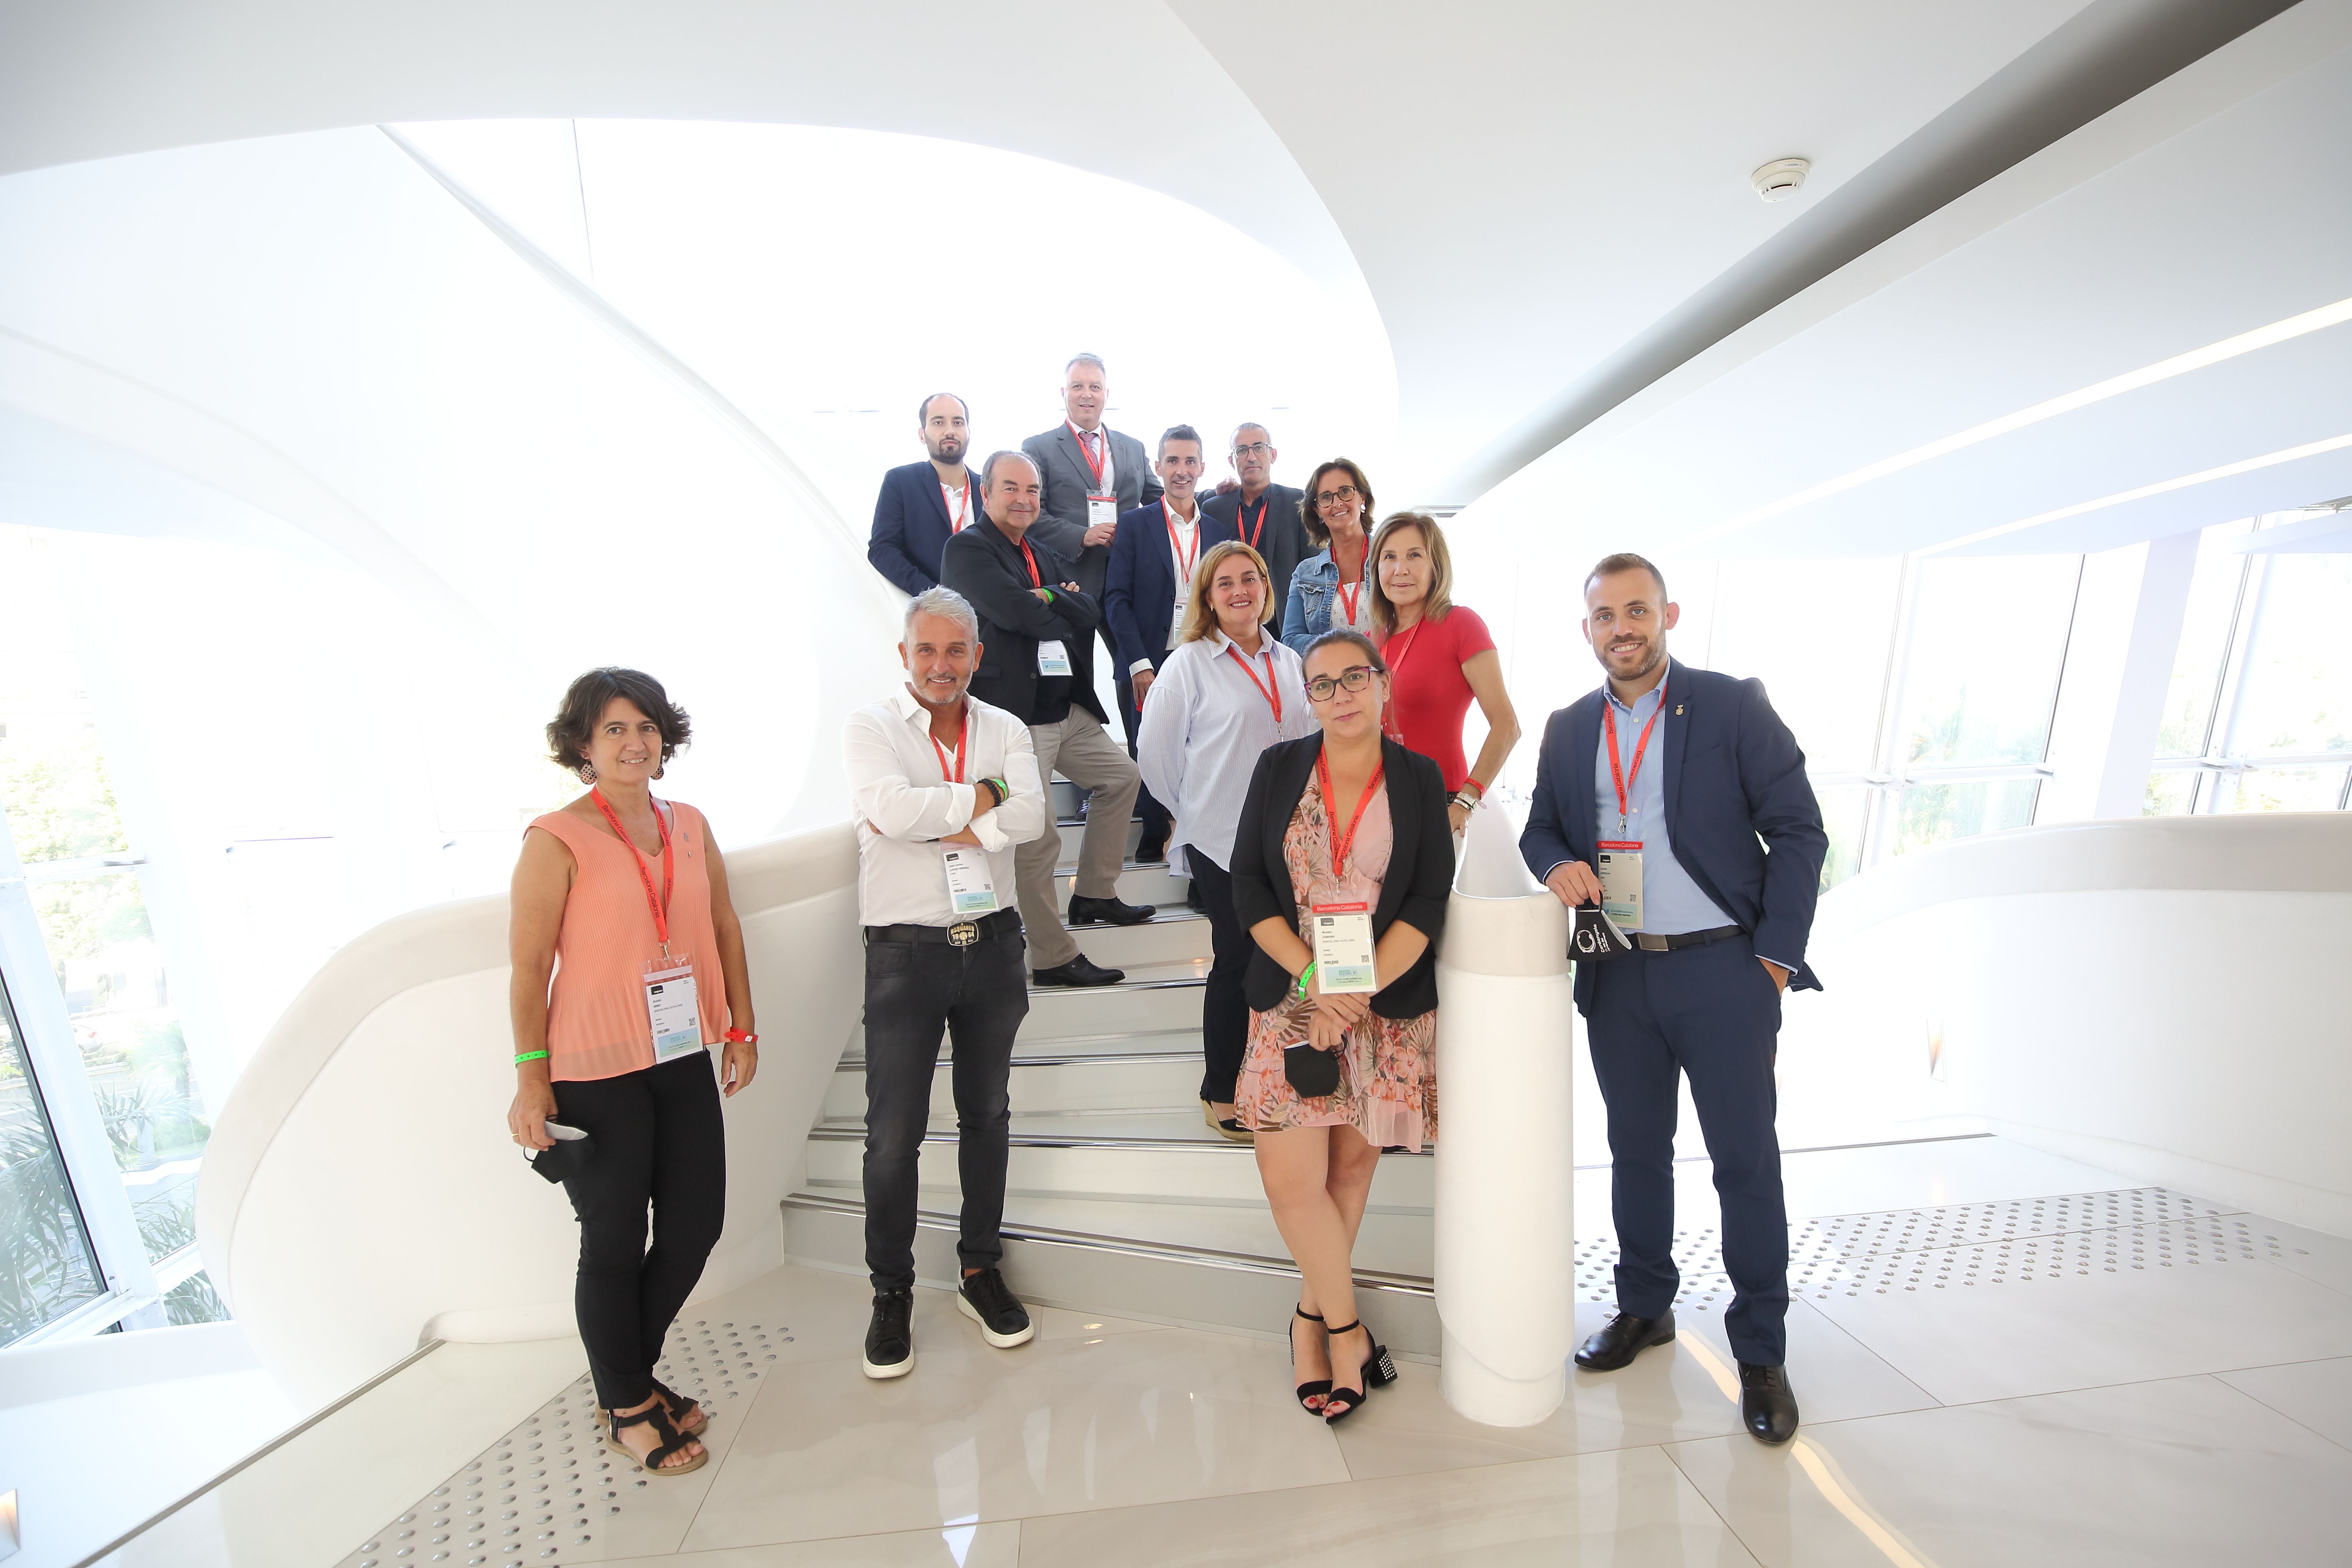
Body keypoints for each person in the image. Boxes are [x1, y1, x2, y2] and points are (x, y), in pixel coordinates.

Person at [1518, 552, 1826, 1447]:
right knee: (1635, 1153)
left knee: (1743, 1161)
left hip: (1723, 971)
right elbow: (1542, 823)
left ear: (1669, 615)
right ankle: (1646, 1307)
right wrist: (1555, 864)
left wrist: (1772, 959)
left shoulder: (1731, 704)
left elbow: (1801, 830)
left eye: (1638, 611)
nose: (1623, 628)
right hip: (1616, 965)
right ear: (1587, 631)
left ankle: (1760, 1351)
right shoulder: (1570, 727)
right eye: (1606, 616)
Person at [507, 668, 758, 1478]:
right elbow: (527, 968)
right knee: (614, 1242)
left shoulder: (689, 824)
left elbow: (722, 922)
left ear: (665, 738)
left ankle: (625, 1380)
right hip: (593, 1069)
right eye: (613, 729)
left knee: (696, 1227)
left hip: (681, 1054)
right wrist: (532, 1080)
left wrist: (741, 1026)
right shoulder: (556, 838)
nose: (633, 742)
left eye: (645, 726)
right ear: (583, 745)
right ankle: (628, 1407)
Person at [1231, 629, 1452, 1424]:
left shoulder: (1421, 779)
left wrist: (1355, 990)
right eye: (1322, 684)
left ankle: (1307, 1323)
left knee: (1350, 1175)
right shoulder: (1279, 768)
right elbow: (1249, 885)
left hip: (1382, 1008)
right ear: (1308, 698)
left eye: (1355, 676)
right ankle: (1348, 1329)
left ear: (1382, 682)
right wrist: (1315, 981)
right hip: (1295, 994)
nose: (1340, 693)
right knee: (1293, 1180)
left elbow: (1429, 899)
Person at [842, 586, 1052, 1379]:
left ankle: (977, 1269)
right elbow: (889, 810)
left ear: (977, 655)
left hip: (992, 945)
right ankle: (889, 1291)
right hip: (905, 953)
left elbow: (1033, 819)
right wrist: (986, 799)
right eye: (926, 651)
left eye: (955, 651)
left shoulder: (1003, 727)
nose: (941, 666)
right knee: (893, 1137)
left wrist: (959, 816)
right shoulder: (871, 727)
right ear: (905, 656)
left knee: (987, 1116)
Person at [942, 450, 1154, 988]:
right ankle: (1053, 956)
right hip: (1017, 718)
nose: (1024, 499)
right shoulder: (967, 549)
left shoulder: (1038, 550)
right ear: (986, 493)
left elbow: (1090, 612)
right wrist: (1055, 599)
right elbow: (1016, 613)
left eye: (1033, 490)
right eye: (1011, 488)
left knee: (1122, 777)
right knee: (1036, 839)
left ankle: (1094, 894)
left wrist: (1050, 596)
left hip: (1067, 709)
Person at [1137, 541, 1316, 1141]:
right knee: (1238, 959)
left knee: (1287, 961)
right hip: (1221, 839)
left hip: (1288, 842)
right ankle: (1220, 1087)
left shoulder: (1291, 662)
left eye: (1250, 579)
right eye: (1225, 584)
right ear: (1208, 598)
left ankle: (1274, 1074)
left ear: (1267, 587)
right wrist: (1191, 813)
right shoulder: (1188, 664)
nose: (1240, 591)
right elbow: (1156, 757)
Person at [1106, 423, 1234, 862]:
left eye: (1190, 461)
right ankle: (1155, 826)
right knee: (1149, 746)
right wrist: (1138, 663)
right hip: (1147, 658)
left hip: (1202, 657)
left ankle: (1197, 845)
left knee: (1200, 751)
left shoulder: (1219, 532)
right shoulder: (1134, 525)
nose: (1181, 471)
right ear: (1158, 467)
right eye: (1173, 461)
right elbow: (1116, 599)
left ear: (1202, 468)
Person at [1369, 511, 1521, 834]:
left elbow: (1507, 726)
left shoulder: (1460, 624)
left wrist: (1466, 801)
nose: (1401, 570)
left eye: (1414, 556)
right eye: (1389, 557)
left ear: (1435, 565)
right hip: (1377, 807)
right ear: (1376, 568)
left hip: (1439, 804)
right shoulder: (1373, 640)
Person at [1022, 353, 1162, 688]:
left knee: (1137, 670)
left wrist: (1214, 496)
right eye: (1078, 386)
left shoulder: (1132, 447)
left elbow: (1162, 500)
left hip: (1126, 578)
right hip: (1069, 579)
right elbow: (1031, 514)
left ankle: (1142, 739)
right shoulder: (1038, 448)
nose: (1087, 394)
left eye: (1095, 387)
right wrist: (1082, 536)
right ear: (1064, 393)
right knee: (1070, 678)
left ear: (1106, 395)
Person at [867, 393, 980, 596]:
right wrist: (934, 594)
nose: (950, 431)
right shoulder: (901, 482)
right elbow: (882, 550)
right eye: (938, 422)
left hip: (991, 610)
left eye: (958, 422)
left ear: (968, 432)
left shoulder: (987, 488)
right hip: (933, 609)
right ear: (922, 435)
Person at [1199, 423, 1310, 611]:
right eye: (1242, 451)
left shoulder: (1298, 504)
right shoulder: (1213, 509)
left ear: (1272, 455)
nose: (1251, 457)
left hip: (1283, 618)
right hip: (1229, 615)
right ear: (1232, 460)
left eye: (1259, 448)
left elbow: (1310, 571)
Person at [1281, 459, 1377, 655]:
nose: (1337, 503)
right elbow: (1291, 640)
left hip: (1389, 677)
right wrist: (1346, 647)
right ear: (1317, 511)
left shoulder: (1390, 559)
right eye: (1326, 497)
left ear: (1363, 498)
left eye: (1345, 491)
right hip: (1329, 681)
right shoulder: (1304, 574)